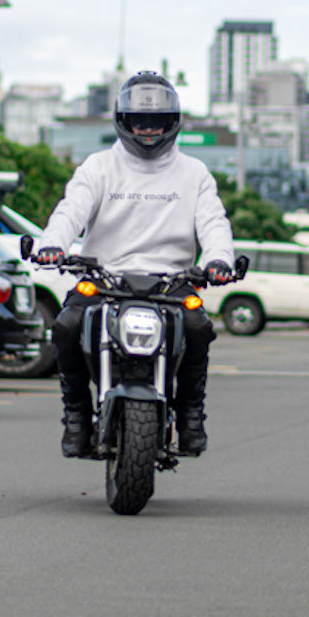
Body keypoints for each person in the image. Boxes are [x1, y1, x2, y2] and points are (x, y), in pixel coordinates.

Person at [36, 71, 238, 458]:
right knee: (65, 326)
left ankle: (190, 415)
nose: (147, 130)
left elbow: (214, 222)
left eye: (156, 121)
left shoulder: (194, 173)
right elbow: (70, 211)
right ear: (123, 121)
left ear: (172, 122)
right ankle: (76, 415)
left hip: (172, 282)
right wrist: (52, 245)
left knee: (199, 328)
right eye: (139, 121)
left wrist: (218, 259)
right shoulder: (98, 166)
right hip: (104, 278)